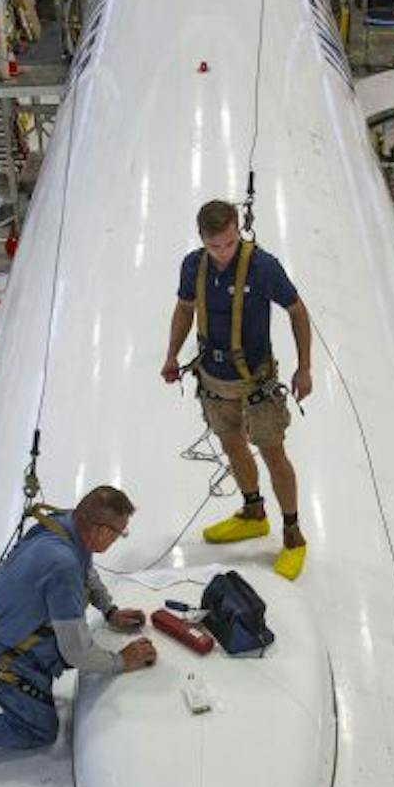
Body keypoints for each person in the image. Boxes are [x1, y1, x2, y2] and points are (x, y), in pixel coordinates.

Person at [0, 486, 154, 769]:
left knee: (78, 642)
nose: (118, 539)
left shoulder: (65, 524)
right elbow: (76, 652)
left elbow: (86, 569)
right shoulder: (61, 564)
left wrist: (109, 610)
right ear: (101, 531)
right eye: (119, 533)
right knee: (40, 730)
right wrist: (121, 661)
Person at [161, 199, 316, 581]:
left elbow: (297, 310)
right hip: (213, 380)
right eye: (215, 246)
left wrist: (305, 367)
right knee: (231, 444)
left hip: (256, 381)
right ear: (202, 239)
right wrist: (170, 355)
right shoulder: (192, 266)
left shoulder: (263, 267)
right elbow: (184, 308)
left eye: (230, 243)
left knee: (273, 453)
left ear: (237, 232)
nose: (223, 253)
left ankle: (293, 535)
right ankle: (253, 511)